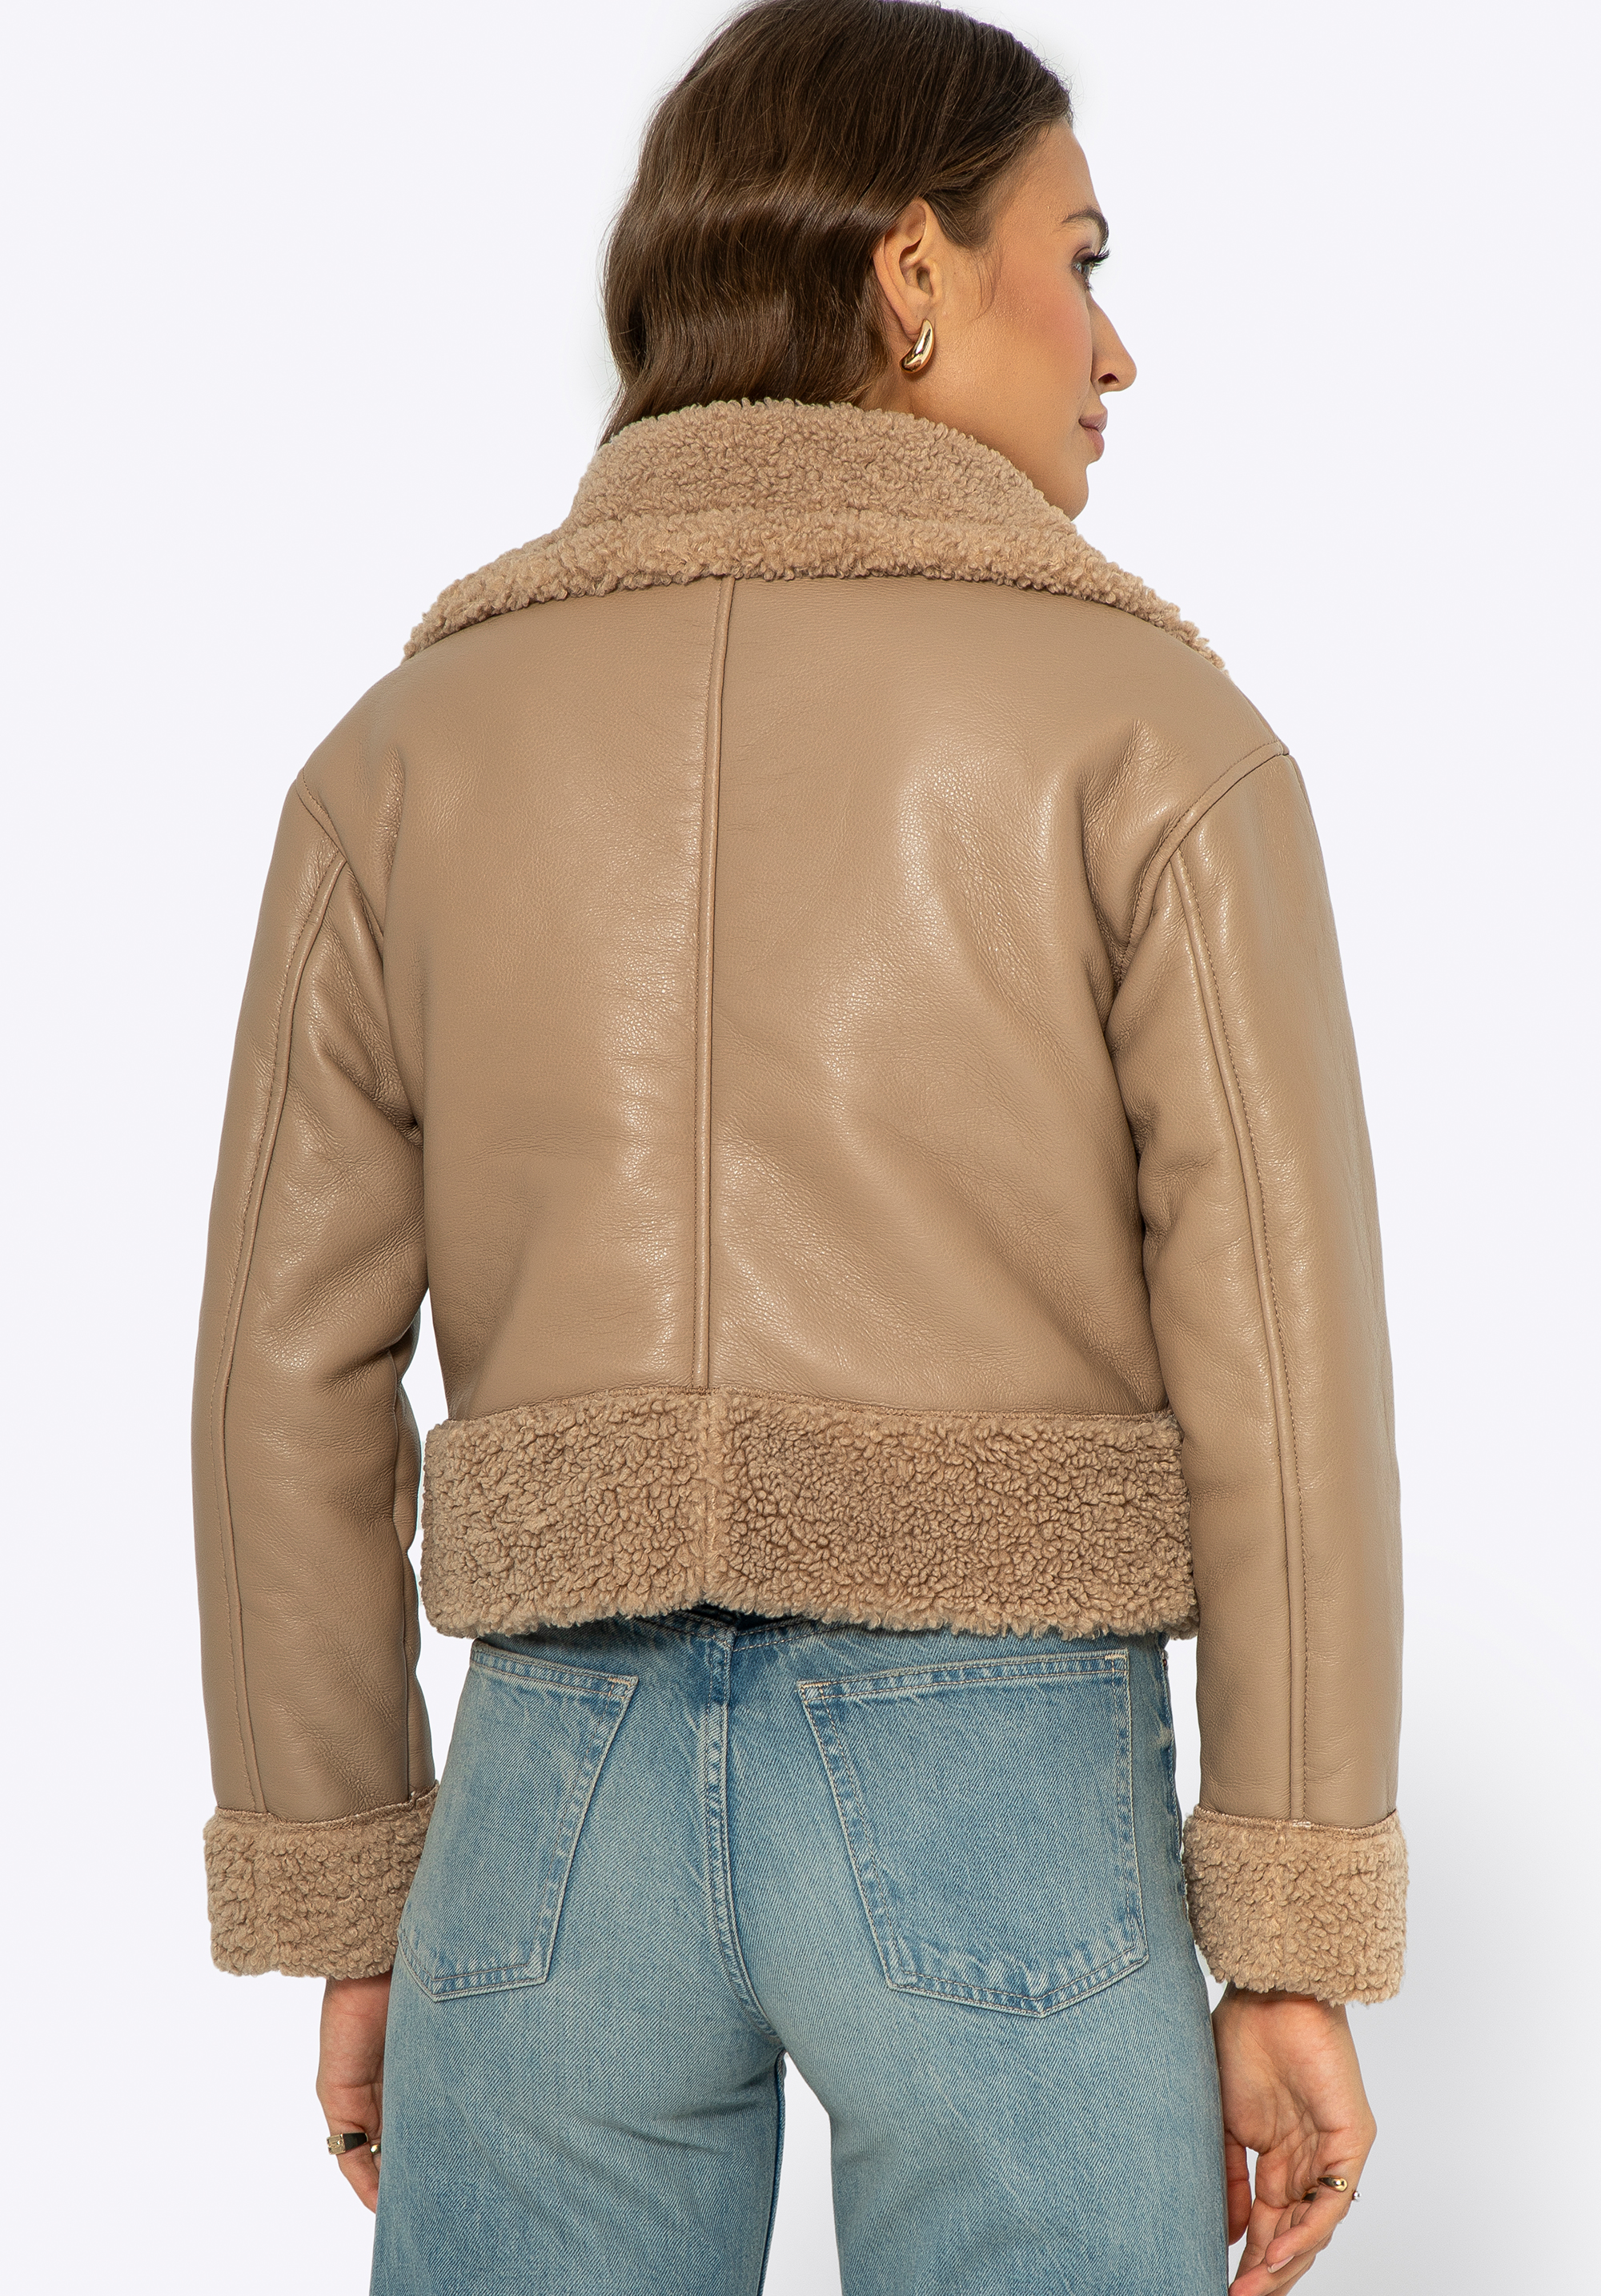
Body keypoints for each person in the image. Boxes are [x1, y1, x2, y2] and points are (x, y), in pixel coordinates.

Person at [191, 3, 1405, 2289]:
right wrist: (1288, 1930)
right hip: (1002, 1783)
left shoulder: (400, 754)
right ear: (912, 272)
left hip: (550, 1799)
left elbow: (283, 1369)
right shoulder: (1157, 734)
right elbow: (1284, 1361)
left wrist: (357, 1895)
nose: (1117, 346)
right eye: (1082, 255)